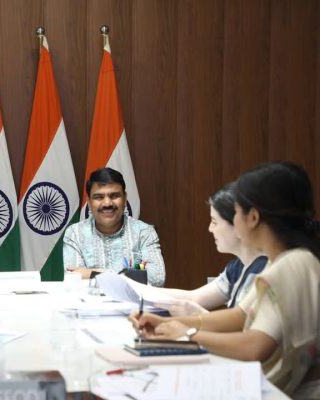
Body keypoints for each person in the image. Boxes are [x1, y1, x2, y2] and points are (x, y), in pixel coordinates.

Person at [130, 161, 320, 396]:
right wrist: (167, 325)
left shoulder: (294, 263)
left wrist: (186, 335)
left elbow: (254, 347)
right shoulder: (282, 260)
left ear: (253, 217)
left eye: (236, 212)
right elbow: (239, 316)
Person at [130, 183, 267, 316]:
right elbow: (195, 297)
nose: (210, 229)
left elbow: (246, 330)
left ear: (238, 222)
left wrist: (199, 315)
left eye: (214, 222)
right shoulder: (238, 266)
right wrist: (136, 289)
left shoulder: (263, 269)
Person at [63, 167, 165, 286]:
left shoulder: (144, 232)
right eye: (98, 197)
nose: (107, 203)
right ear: (89, 203)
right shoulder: (75, 233)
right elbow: (74, 279)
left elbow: (157, 277)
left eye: (114, 196)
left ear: (125, 199)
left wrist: (92, 274)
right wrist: (132, 274)